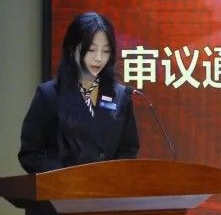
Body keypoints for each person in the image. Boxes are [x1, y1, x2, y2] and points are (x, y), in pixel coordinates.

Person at [19, 11, 139, 174]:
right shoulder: (49, 95)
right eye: (91, 50)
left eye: (106, 51)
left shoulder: (121, 96)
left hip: (107, 187)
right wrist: (67, 178)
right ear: (72, 48)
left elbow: (128, 149)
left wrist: (111, 176)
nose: (99, 58)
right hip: (63, 187)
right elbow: (30, 154)